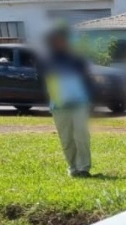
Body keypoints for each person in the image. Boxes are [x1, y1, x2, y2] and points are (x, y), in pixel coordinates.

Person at [42, 26, 93, 177]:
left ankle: (84, 168)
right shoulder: (47, 59)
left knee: (81, 135)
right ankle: (73, 167)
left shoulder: (77, 58)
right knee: (66, 139)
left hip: (80, 103)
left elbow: (87, 78)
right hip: (59, 104)